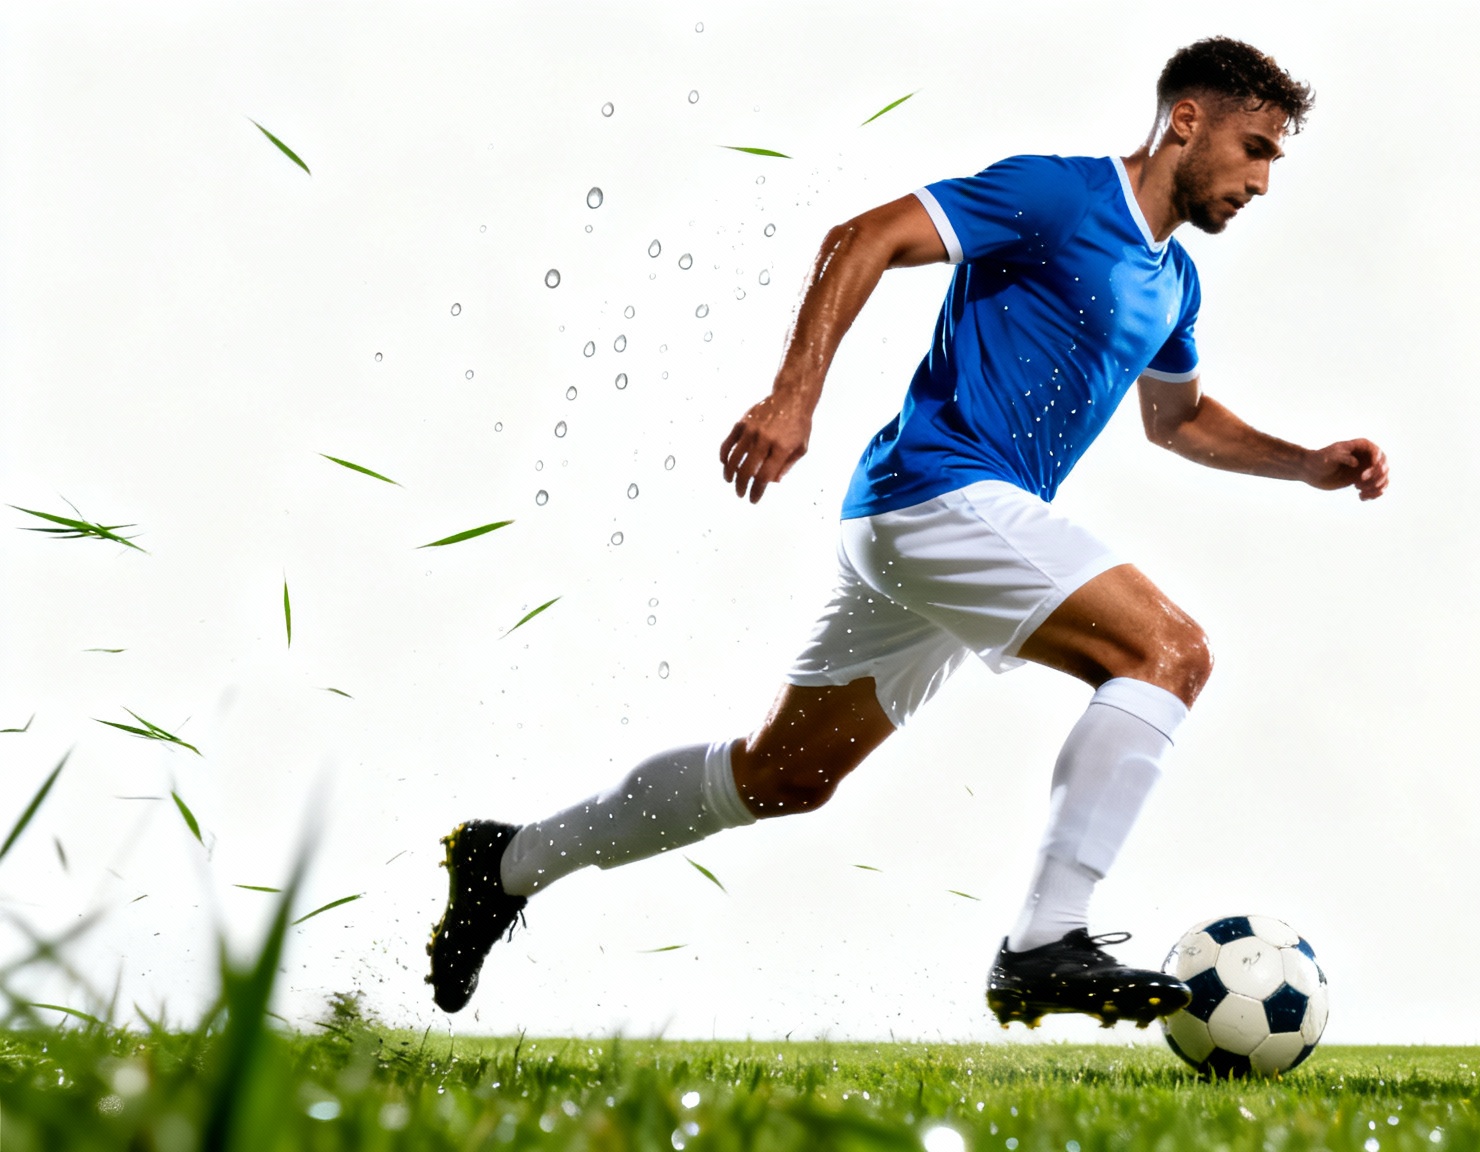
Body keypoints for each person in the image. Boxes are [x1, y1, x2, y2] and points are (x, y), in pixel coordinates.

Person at [426, 36, 1388, 1028]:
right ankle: (1043, 942)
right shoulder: (1057, 197)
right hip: (935, 494)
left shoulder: (1173, 284)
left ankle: (506, 862)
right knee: (1169, 653)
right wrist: (792, 398)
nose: (1263, 180)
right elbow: (865, 236)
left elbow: (1176, 420)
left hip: (941, 527)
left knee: (782, 776)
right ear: (1186, 120)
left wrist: (1305, 462)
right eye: (1257, 147)